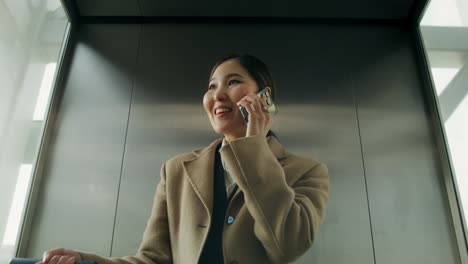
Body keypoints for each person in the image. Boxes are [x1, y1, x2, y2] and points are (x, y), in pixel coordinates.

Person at [38, 54, 329, 264]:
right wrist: (85, 263)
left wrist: (253, 148)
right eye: (212, 86)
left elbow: (288, 246)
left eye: (233, 82)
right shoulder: (176, 170)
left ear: (265, 98)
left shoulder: (307, 172)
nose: (218, 95)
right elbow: (153, 259)